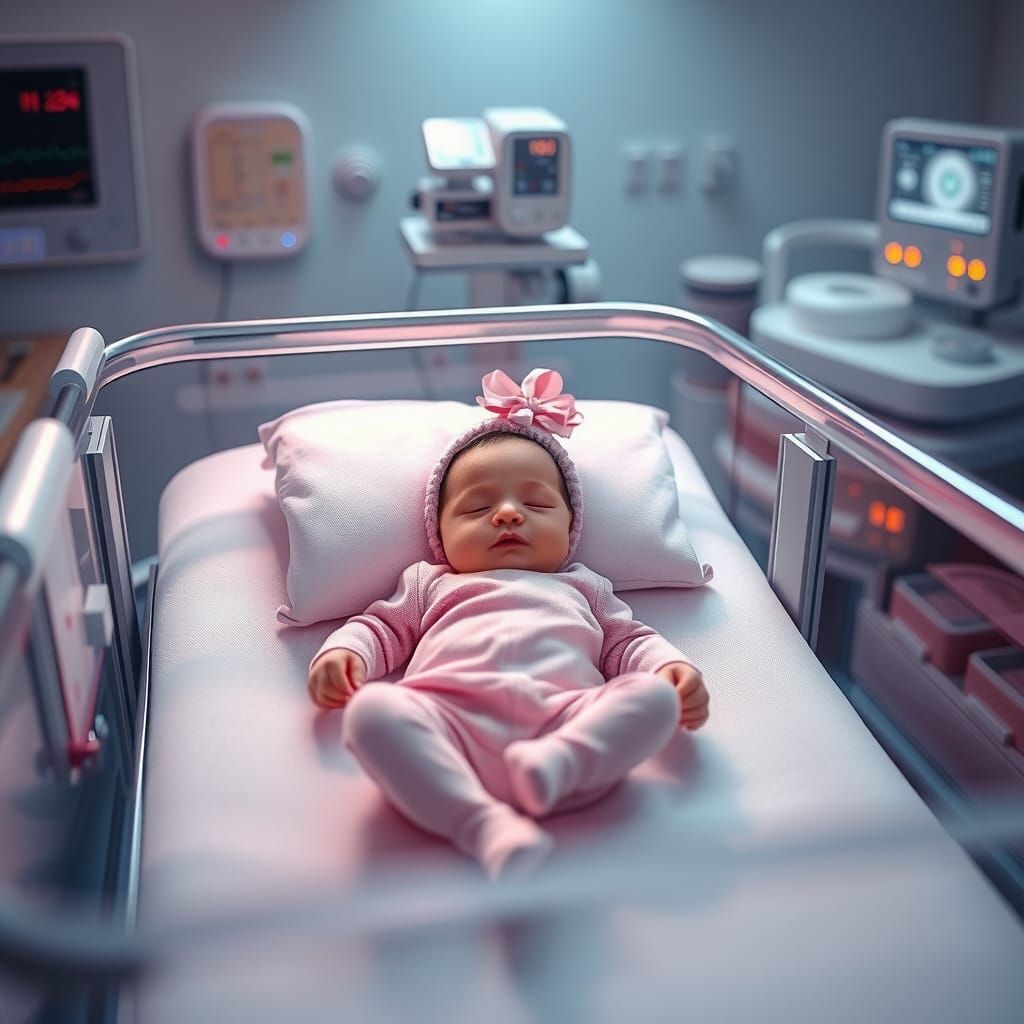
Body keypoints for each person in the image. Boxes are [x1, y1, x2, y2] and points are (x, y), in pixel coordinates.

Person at [308, 369, 710, 879]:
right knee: (371, 712)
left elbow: (629, 643)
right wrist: (345, 654)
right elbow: (378, 627)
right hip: (447, 725)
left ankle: (557, 763)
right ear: (440, 534)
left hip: (568, 720)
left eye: (536, 503)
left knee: (653, 698)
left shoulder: (584, 586)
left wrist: (670, 669)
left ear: (569, 530)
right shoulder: (430, 583)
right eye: (477, 507)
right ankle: (482, 825)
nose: (507, 514)